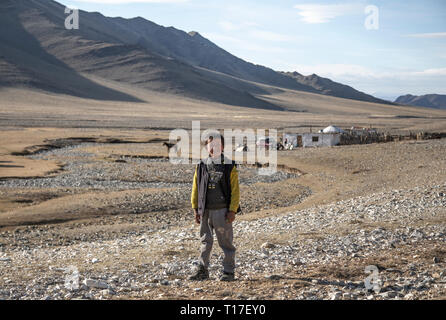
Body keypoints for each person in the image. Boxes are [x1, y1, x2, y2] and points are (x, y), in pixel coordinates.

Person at [189, 133, 240, 281]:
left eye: (218, 144)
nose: (214, 147)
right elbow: (196, 187)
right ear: (207, 147)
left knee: (226, 242)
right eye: (211, 144)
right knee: (205, 241)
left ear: (223, 146)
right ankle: (203, 270)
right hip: (205, 210)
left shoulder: (229, 165)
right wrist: (195, 208)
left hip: (223, 211)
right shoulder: (201, 165)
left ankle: (229, 271)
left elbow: (235, 190)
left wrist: (232, 210)